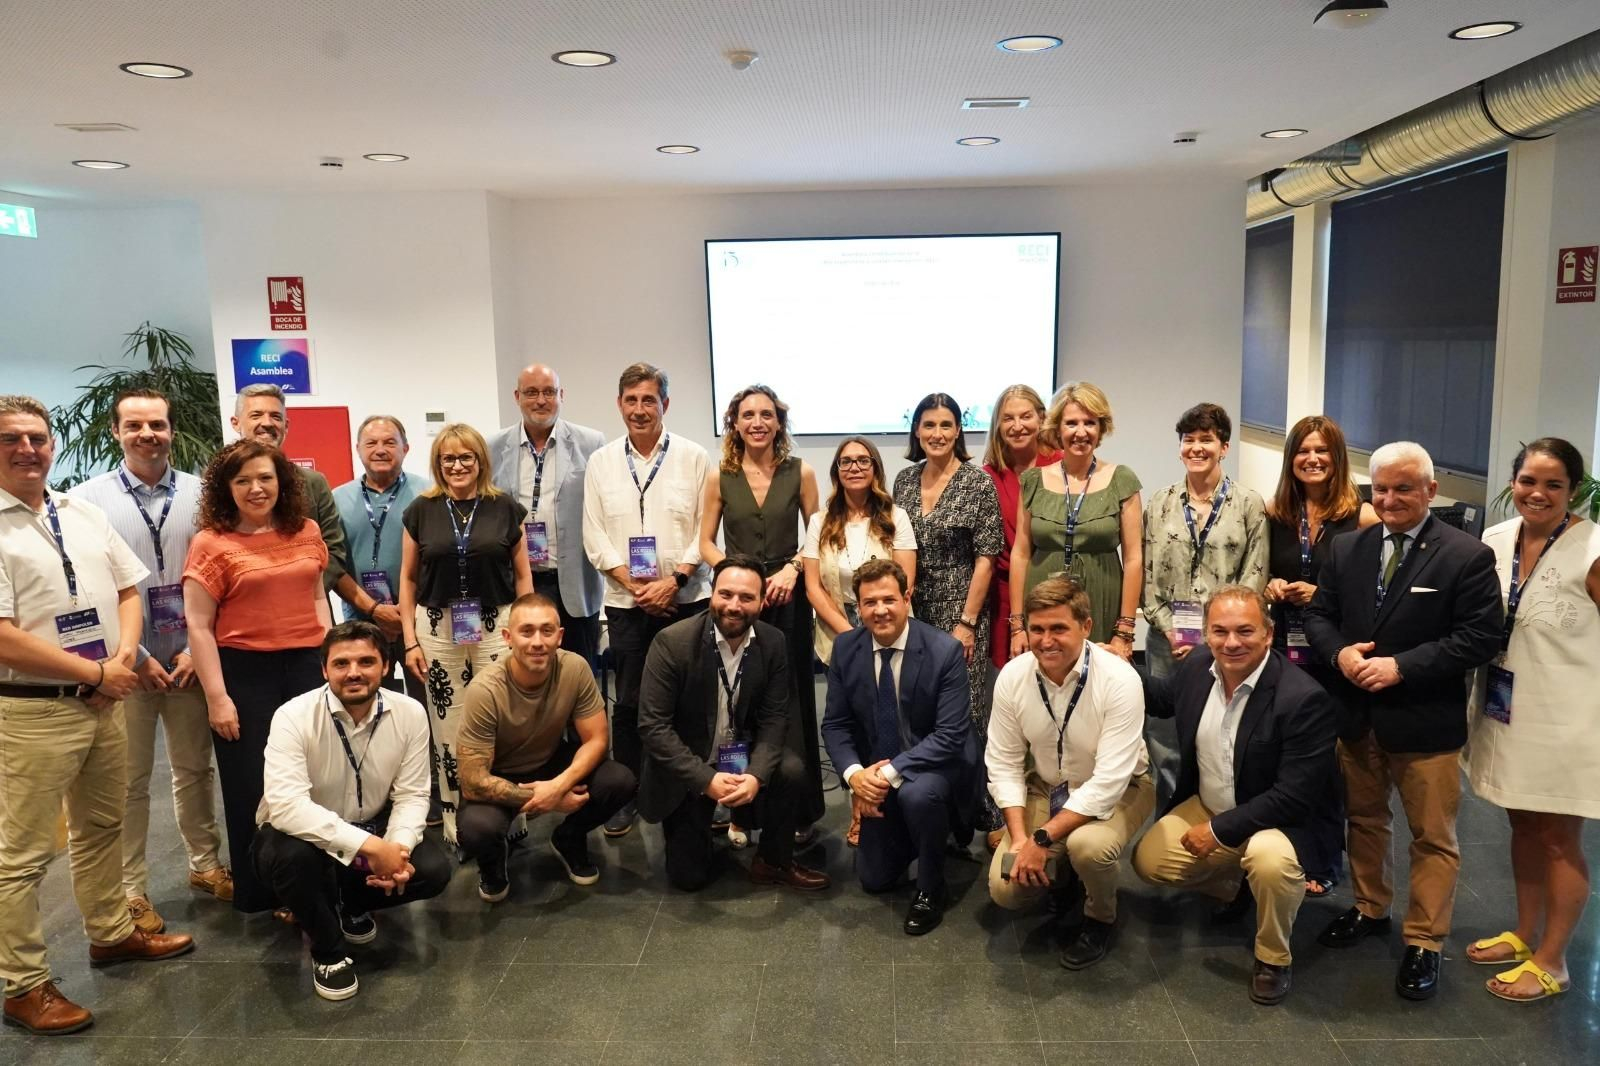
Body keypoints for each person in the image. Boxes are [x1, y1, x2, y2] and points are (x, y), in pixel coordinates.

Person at [0, 395, 195, 1036]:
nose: (28, 448)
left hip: (104, 698)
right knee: (20, 856)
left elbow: (126, 588)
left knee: (102, 826)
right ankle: (22, 984)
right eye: (12, 438)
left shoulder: (78, 511)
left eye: (37, 437)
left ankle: (111, 933)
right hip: (34, 710)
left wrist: (118, 660)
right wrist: (95, 672)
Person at [1304, 441, 1502, 1001]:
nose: (1389, 499)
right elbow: (1319, 614)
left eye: (1403, 488)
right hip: (1358, 717)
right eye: (1381, 489)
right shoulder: (1348, 549)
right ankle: (1369, 908)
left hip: (1424, 721)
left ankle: (1425, 942)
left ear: (1431, 491)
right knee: (1364, 821)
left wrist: (1401, 668)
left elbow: (1480, 638)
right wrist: (1340, 654)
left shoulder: (1466, 555)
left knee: (1432, 838)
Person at [1132, 586, 1342, 1006]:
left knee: (1269, 861)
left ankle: (1273, 956)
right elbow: (1158, 700)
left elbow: (1294, 797)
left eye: (1245, 631)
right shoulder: (1197, 667)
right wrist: (1102, 664)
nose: (1231, 643)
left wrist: (1218, 830)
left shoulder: (1302, 699)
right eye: (1220, 631)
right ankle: (1237, 884)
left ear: (1268, 633)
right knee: (1149, 862)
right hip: (1212, 803)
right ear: (1206, 635)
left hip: (1281, 822)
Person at [70, 388, 230, 933]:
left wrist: (191, 650)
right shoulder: (86, 501)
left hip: (191, 659)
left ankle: (205, 865)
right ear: (116, 432)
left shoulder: (205, 493)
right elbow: (91, 590)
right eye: (134, 425)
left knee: (193, 771)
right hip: (124, 667)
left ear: (171, 430)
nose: (147, 435)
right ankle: (131, 888)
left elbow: (219, 576)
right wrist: (135, 657)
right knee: (129, 782)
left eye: (157, 425)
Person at [1463, 438, 1600, 1002]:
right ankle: (1524, 933)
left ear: (1574, 491)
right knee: (1521, 825)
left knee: (1559, 838)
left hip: (1569, 720)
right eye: (1527, 481)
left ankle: (1555, 960)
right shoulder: (1495, 541)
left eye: (1553, 484)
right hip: (1504, 709)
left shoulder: (1592, 548)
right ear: (1512, 482)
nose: (1537, 493)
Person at [253, 621, 450, 1002]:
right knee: (291, 858)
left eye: (366, 661)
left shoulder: (410, 713)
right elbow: (287, 806)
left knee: (432, 871)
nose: (354, 672)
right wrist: (372, 849)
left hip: (370, 827)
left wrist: (397, 850)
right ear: (324, 670)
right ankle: (327, 951)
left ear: (386, 666)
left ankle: (349, 902)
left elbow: (411, 795)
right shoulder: (293, 716)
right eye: (341, 664)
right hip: (300, 836)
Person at [184, 439, 331, 913]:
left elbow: (316, 598)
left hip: (307, 667)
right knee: (254, 784)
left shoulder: (305, 530)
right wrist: (217, 697)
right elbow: (199, 627)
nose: (256, 488)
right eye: (242, 480)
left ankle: (317, 880)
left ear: (281, 482)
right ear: (226, 489)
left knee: (312, 777)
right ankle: (264, 890)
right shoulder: (212, 543)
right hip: (245, 675)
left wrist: (329, 658)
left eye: (265, 477)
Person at [986, 577, 1154, 971]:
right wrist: (1021, 838)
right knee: (1005, 890)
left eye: (1059, 628)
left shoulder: (1120, 679)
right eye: (1037, 629)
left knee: (1089, 849)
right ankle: (1062, 877)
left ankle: (1100, 917)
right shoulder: (1013, 676)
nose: (1046, 641)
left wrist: (1042, 839)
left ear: (1086, 627)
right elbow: (1004, 763)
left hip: (1122, 787)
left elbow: (1109, 781)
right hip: (1049, 785)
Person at [636, 556, 830, 892]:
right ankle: (698, 826)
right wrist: (706, 779)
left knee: (792, 769)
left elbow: (774, 718)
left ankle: (772, 860)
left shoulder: (773, 642)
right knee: (689, 878)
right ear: (712, 594)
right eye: (725, 594)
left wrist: (755, 775)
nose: (734, 606)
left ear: (761, 600)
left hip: (743, 755)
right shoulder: (672, 642)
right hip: (690, 765)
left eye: (746, 597)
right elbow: (653, 727)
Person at [582, 362, 711, 838]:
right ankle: (628, 793)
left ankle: (701, 788)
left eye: (649, 401)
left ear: (665, 405)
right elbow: (594, 535)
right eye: (631, 400)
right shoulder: (601, 462)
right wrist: (636, 586)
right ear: (619, 405)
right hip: (626, 602)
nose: (640, 410)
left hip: (687, 598)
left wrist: (672, 581)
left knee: (693, 699)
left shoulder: (694, 457)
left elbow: (706, 528)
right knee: (631, 701)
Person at [821, 559, 977, 935]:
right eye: (869, 602)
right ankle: (917, 835)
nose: (880, 610)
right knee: (874, 879)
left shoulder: (944, 651)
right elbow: (835, 724)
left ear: (907, 597)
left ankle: (930, 886)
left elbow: (950, 735)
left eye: (889, 599)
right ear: (858, 607)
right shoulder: (845, 648)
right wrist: (855, 775)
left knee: (918, 797)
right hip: (877, 770)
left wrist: (886, 774)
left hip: (936, 765)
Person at [699, 385, 824, 847]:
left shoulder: (802, 472)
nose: (757, 422)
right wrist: (732, 577)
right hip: (737, 603)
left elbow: (818, 534)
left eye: (766, 414)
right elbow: (706, 542)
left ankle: (800, 807)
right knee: (740, 701)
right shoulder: (720, 476)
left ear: (778, 422)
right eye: (748, 414)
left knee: (791, 701)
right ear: (735, 422)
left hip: (788, 599)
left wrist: (793, 570)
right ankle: (739, 810)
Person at [1260, 415, 1377, 897]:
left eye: (1321, 451)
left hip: (1332, 656)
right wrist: (1269, 587)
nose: (1312, 459)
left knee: (1326, 765)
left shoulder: (1362, 517)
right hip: (1285, 652)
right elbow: (1261, 569)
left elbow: (1374, 595)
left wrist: (1323, 593)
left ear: (1337, 458)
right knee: (1282, 759)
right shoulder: (1275, 512)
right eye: (1303, 451)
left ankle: (1326, 858)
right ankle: (1284, 850)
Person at [399, 423, 532, 846]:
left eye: (465, 457)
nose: (457, 465)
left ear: (480, 461)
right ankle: (459, 823)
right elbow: (406, 579)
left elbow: (524, 575)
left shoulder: (505, 508)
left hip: (499, 626)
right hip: (437, 629)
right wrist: (409, 639)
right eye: (447, 458)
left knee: (500, 720)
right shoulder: (421, 509)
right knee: (449, 724)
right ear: (438, 464)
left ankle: (510, 816)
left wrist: (525, 630)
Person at [455, 594, 636, 901]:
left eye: (547, 630)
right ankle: (492, 861)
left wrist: (558, 786)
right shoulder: (485, 690)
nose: (537, 641)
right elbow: (472, 781)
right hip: (499, 773)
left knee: (620, 781)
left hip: (551, 761)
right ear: (508, 638)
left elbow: (597, 739)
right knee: (476, 829)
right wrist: (546, 798)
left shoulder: (574, 668)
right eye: (527, 631)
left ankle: (569, 837)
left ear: (559, 636)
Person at [1141, 402, 1268, 804]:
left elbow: (1255, 576)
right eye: (1188, 440)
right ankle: (1169, 818)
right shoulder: (1160, 502)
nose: (1196, 448)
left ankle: (1224, 821)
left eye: (1206, 440)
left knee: (1222, 731)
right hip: (1168, 641)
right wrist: (1174, 629)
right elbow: (1147, 576)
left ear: (1224, 447)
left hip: (1228, 645)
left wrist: (1215, 635)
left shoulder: (1249, 504)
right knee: (1165, 736)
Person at [891, 393, 1003, 832]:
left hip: (961, 611)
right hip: (913, 613)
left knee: (968, 715)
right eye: (928, 425)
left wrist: (967, 623)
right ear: (916, 431)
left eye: (946, 425)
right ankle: (933, 806)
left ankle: (981, 808)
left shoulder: (977, 483)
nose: (937, 433)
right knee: (920, 711)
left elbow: (987, 557)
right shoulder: (903, 480)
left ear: (959, 431)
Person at [803, 436, 917, 845]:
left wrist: (874, 625)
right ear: (836, 471)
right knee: (852, 720)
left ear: (874, 468)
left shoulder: (895, 517)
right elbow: (813, 586)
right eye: (846, 462)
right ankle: (859, 805)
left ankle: (889, 801)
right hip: (839, 633)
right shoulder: (820, 520)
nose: (854, 467)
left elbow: (906, 580)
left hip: (887, 625)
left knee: (886, 717)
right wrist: (852, 635)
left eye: (862, 460)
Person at [1008, 382, 1143, 662]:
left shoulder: (1122, 479)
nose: (1081, 432)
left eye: (1090, 423)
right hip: (1042, 602)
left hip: (1101, 601)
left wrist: (1126, 631)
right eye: (1071, 423)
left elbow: (1133, 559)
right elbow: (1020, 554)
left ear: (1101, 428)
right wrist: (1018, 625)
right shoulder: (1033, 481)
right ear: (1058, 428)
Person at [487, 363, 607, 668]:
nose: (541, 400)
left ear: (561, 395)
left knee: (578, 674)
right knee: (522, 674)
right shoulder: (492, 447)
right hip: (516, 582)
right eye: (531, 392)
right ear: (517, 397)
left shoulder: (591, 443)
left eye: (548, 392)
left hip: (573, 583)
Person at [230, 383, 350, 596]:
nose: (267, 423)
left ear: (286, 426)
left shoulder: (314, 483)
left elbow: (334, 550)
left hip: (311, 610)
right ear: (235, 422)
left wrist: (302, 596)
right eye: (256, 415)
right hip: (246, 609)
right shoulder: (223, 483)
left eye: (275, 417)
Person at [331, 415, 422, 694]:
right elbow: (332, 566)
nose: (380, 449)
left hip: (419, 621)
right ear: (357, 448)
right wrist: (375, 609)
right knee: (370, 703)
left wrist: (405, 616)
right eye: (371, 443)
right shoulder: (336, 499)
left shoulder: (428, 494)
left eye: (390, 442)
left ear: (405, 449)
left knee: (425, 701)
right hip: (360, 619)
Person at [981, 384, 1060, 670]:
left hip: (1055, 588)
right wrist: (1016, 623)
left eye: (1025, 416)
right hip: (1006, 595)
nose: (1017, 426)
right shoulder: (989, 475)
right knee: (1016, 681)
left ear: (1041, 418)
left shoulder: (1062, 465)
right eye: (1007, 418)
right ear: (998, 426)